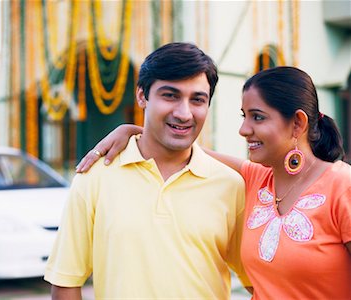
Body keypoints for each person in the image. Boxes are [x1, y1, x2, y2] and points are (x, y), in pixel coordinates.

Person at [77, 66, 351, 299]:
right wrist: (133, 131)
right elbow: (186, 149)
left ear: (298, 124)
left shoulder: (342, 186)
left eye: (258, 117)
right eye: (244, 116)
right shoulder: (257, 180)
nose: (244, 130)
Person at [44, 42, 252, 299]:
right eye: (170, 95)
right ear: (142, 96)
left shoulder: (231, 185)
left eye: (197, 100)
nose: (184, 113)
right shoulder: (95, 176)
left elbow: (258, 281)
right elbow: (65, 281)